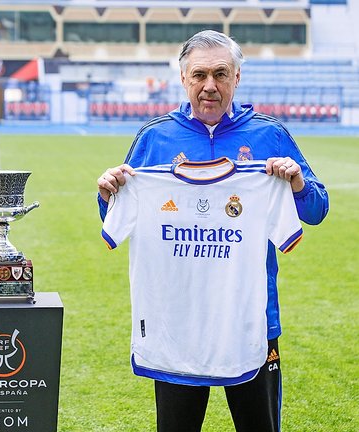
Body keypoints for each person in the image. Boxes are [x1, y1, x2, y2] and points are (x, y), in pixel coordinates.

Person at [96, 30, 328, 432]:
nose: (209, 86)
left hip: (251, 320)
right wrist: (107, 193)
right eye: (199, 74)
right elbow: (116, 216)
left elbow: (317, 209)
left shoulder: (268, 135)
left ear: (237, 78)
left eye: (221, 74)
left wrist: (296, 184)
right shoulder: (155, 138)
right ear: (183, 78)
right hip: (176, 323)